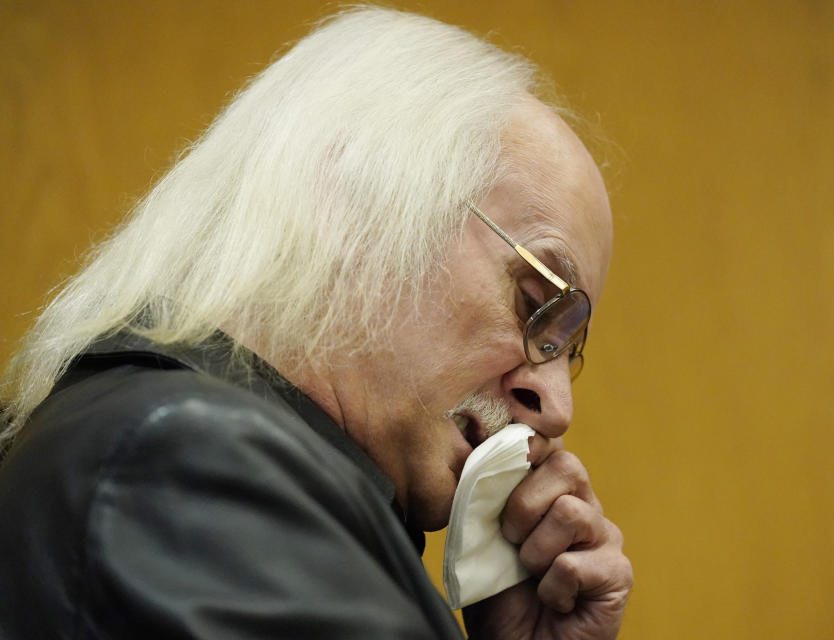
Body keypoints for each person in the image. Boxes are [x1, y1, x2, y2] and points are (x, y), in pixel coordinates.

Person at [0, 6, 632, 639]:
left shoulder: (204, 463)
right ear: (356, 198)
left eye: (565, 348)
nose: (555, 406)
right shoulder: (190, 465)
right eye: (535, 302)